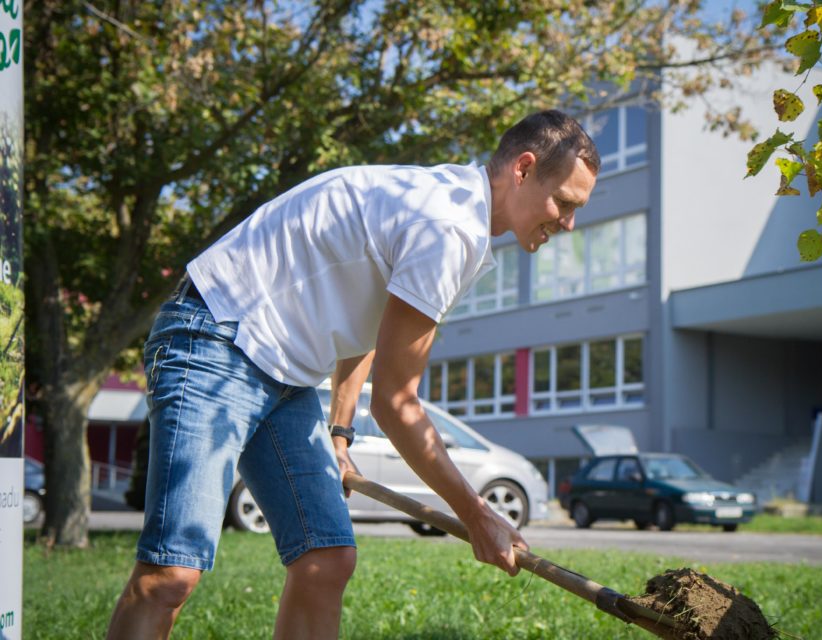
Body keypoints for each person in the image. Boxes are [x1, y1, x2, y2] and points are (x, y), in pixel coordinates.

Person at [105, 109, 599, 639]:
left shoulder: (452, 209)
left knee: (327, 560)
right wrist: (476, 515)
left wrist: (340, 433)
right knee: (171, 573)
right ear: (523, 169)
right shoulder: (448, 227)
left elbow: (368, 325)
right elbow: (397, 403)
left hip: (284, 374)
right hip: (216, 336)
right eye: (564, 203)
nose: (567, 222)